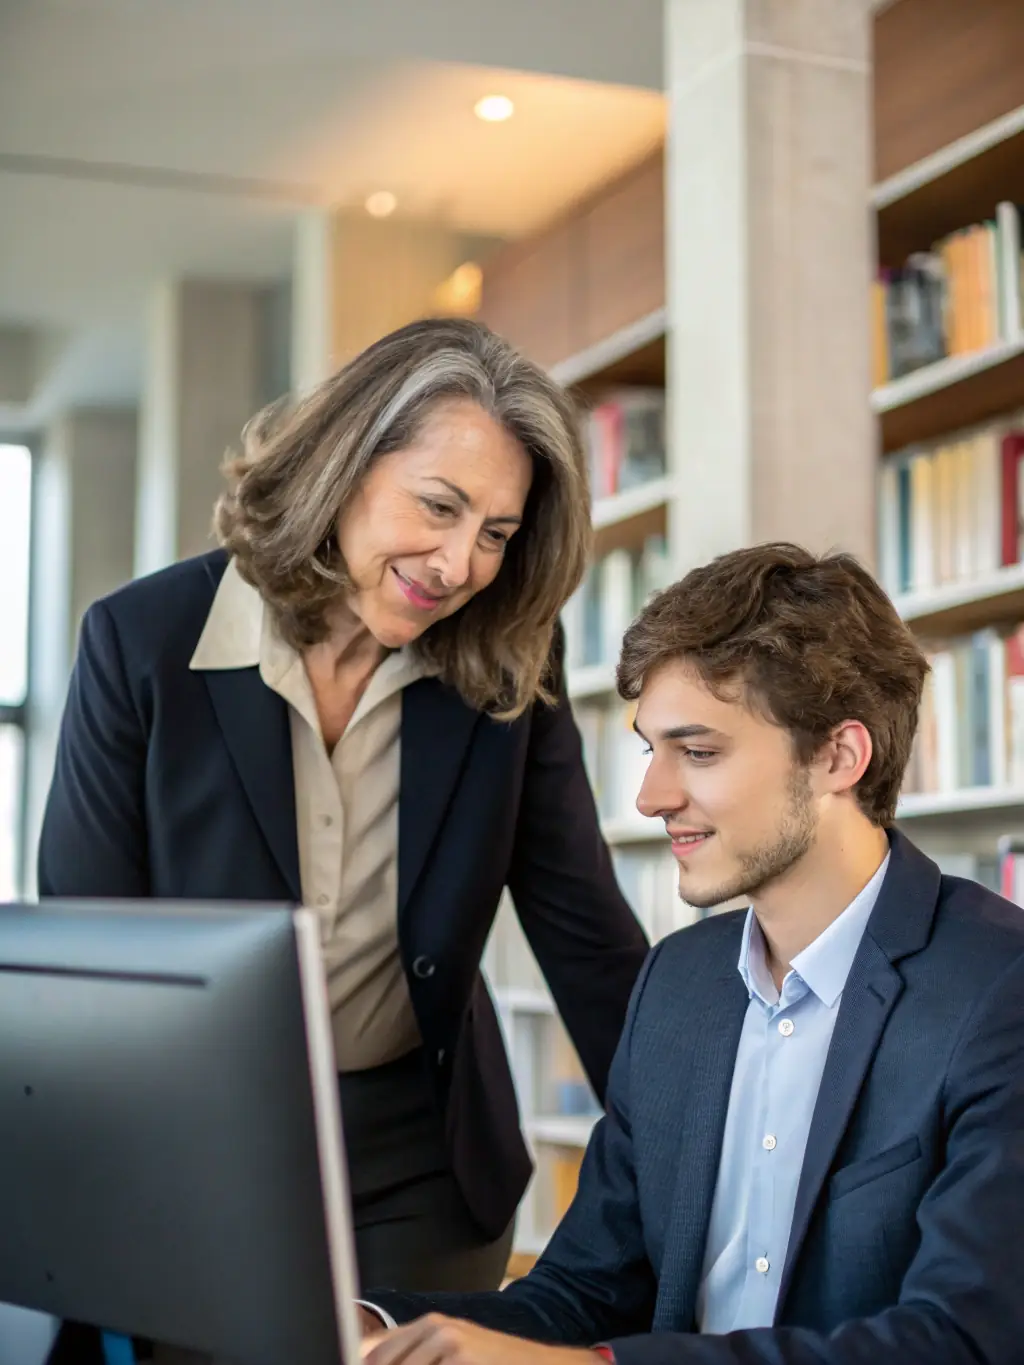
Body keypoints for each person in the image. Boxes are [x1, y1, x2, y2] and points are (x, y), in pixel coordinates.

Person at [37, 316, 649, 1309]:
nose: (458, 565)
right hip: (196, 1143)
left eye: (495, 534)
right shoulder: (142, 642)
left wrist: (702, 1139)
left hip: (421, 1154)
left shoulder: (505, 664)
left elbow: (584, 932)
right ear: (345, 464)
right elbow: (87, 939)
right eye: (438, 507)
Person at [358, 542, 1024, 1365]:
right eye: (651, 749)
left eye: (698, 752)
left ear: (839, 757)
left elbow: (960, 1342)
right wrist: (374, 1326)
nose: (651, 796)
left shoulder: (999, 989)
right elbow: (582, 1290)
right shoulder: (678, 980)